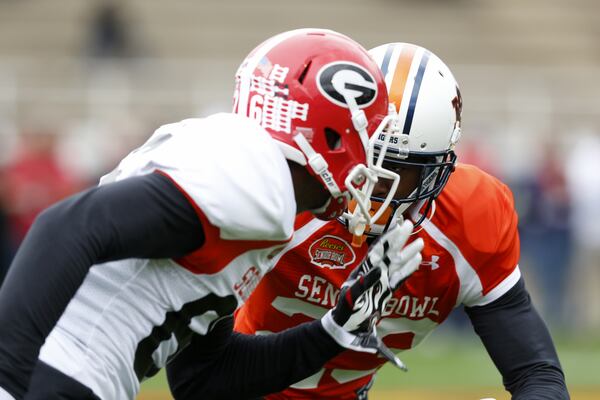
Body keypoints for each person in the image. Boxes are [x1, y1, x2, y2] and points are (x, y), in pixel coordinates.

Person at [0, 29, 423, 400]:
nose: (374, 160)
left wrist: (334, 329)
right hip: (55, 373)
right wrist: (9, 377)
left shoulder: (258, 191)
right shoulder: (258, 183)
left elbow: (204, 377)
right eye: (369, 135)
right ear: (327, 134)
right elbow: (68, 227)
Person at [204, 43, 566, 399]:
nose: (371, 184)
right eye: (364, 158)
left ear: (433, 173)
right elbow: (199, 370)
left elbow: (537, 372)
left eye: (396, 168)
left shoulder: (471, 216)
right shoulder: (289, 195)